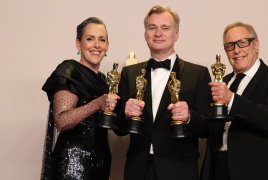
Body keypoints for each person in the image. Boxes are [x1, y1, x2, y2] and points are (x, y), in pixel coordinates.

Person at [116, 5, 212, 180]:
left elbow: (208, 127)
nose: (158, 33)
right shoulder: (129, 74)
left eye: (165, 28)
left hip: (179, 169)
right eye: (152, 27)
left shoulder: (198, 73)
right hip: (138, 169)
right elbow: (119, 129)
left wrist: (189, 116)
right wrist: (124, 112)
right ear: (145, 33)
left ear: (177, 34)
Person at [201, 22, 268, 180]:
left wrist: (231, 99)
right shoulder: (223, 81)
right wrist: (187, 116)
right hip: (218, 169)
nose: (236, 50)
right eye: (230, 46)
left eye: (242, 43)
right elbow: (208, 127)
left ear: (256, 45)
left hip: (257, 171)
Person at [41, 17, 120, 180]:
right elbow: (62, 121)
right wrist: (98, 103)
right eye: (90, 39)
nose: (97, 45)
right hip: (72, 164)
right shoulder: (70, 72)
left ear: (107, 46)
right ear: (78, 43)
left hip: (101, 163)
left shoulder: (105, 81)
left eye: (102, 40)